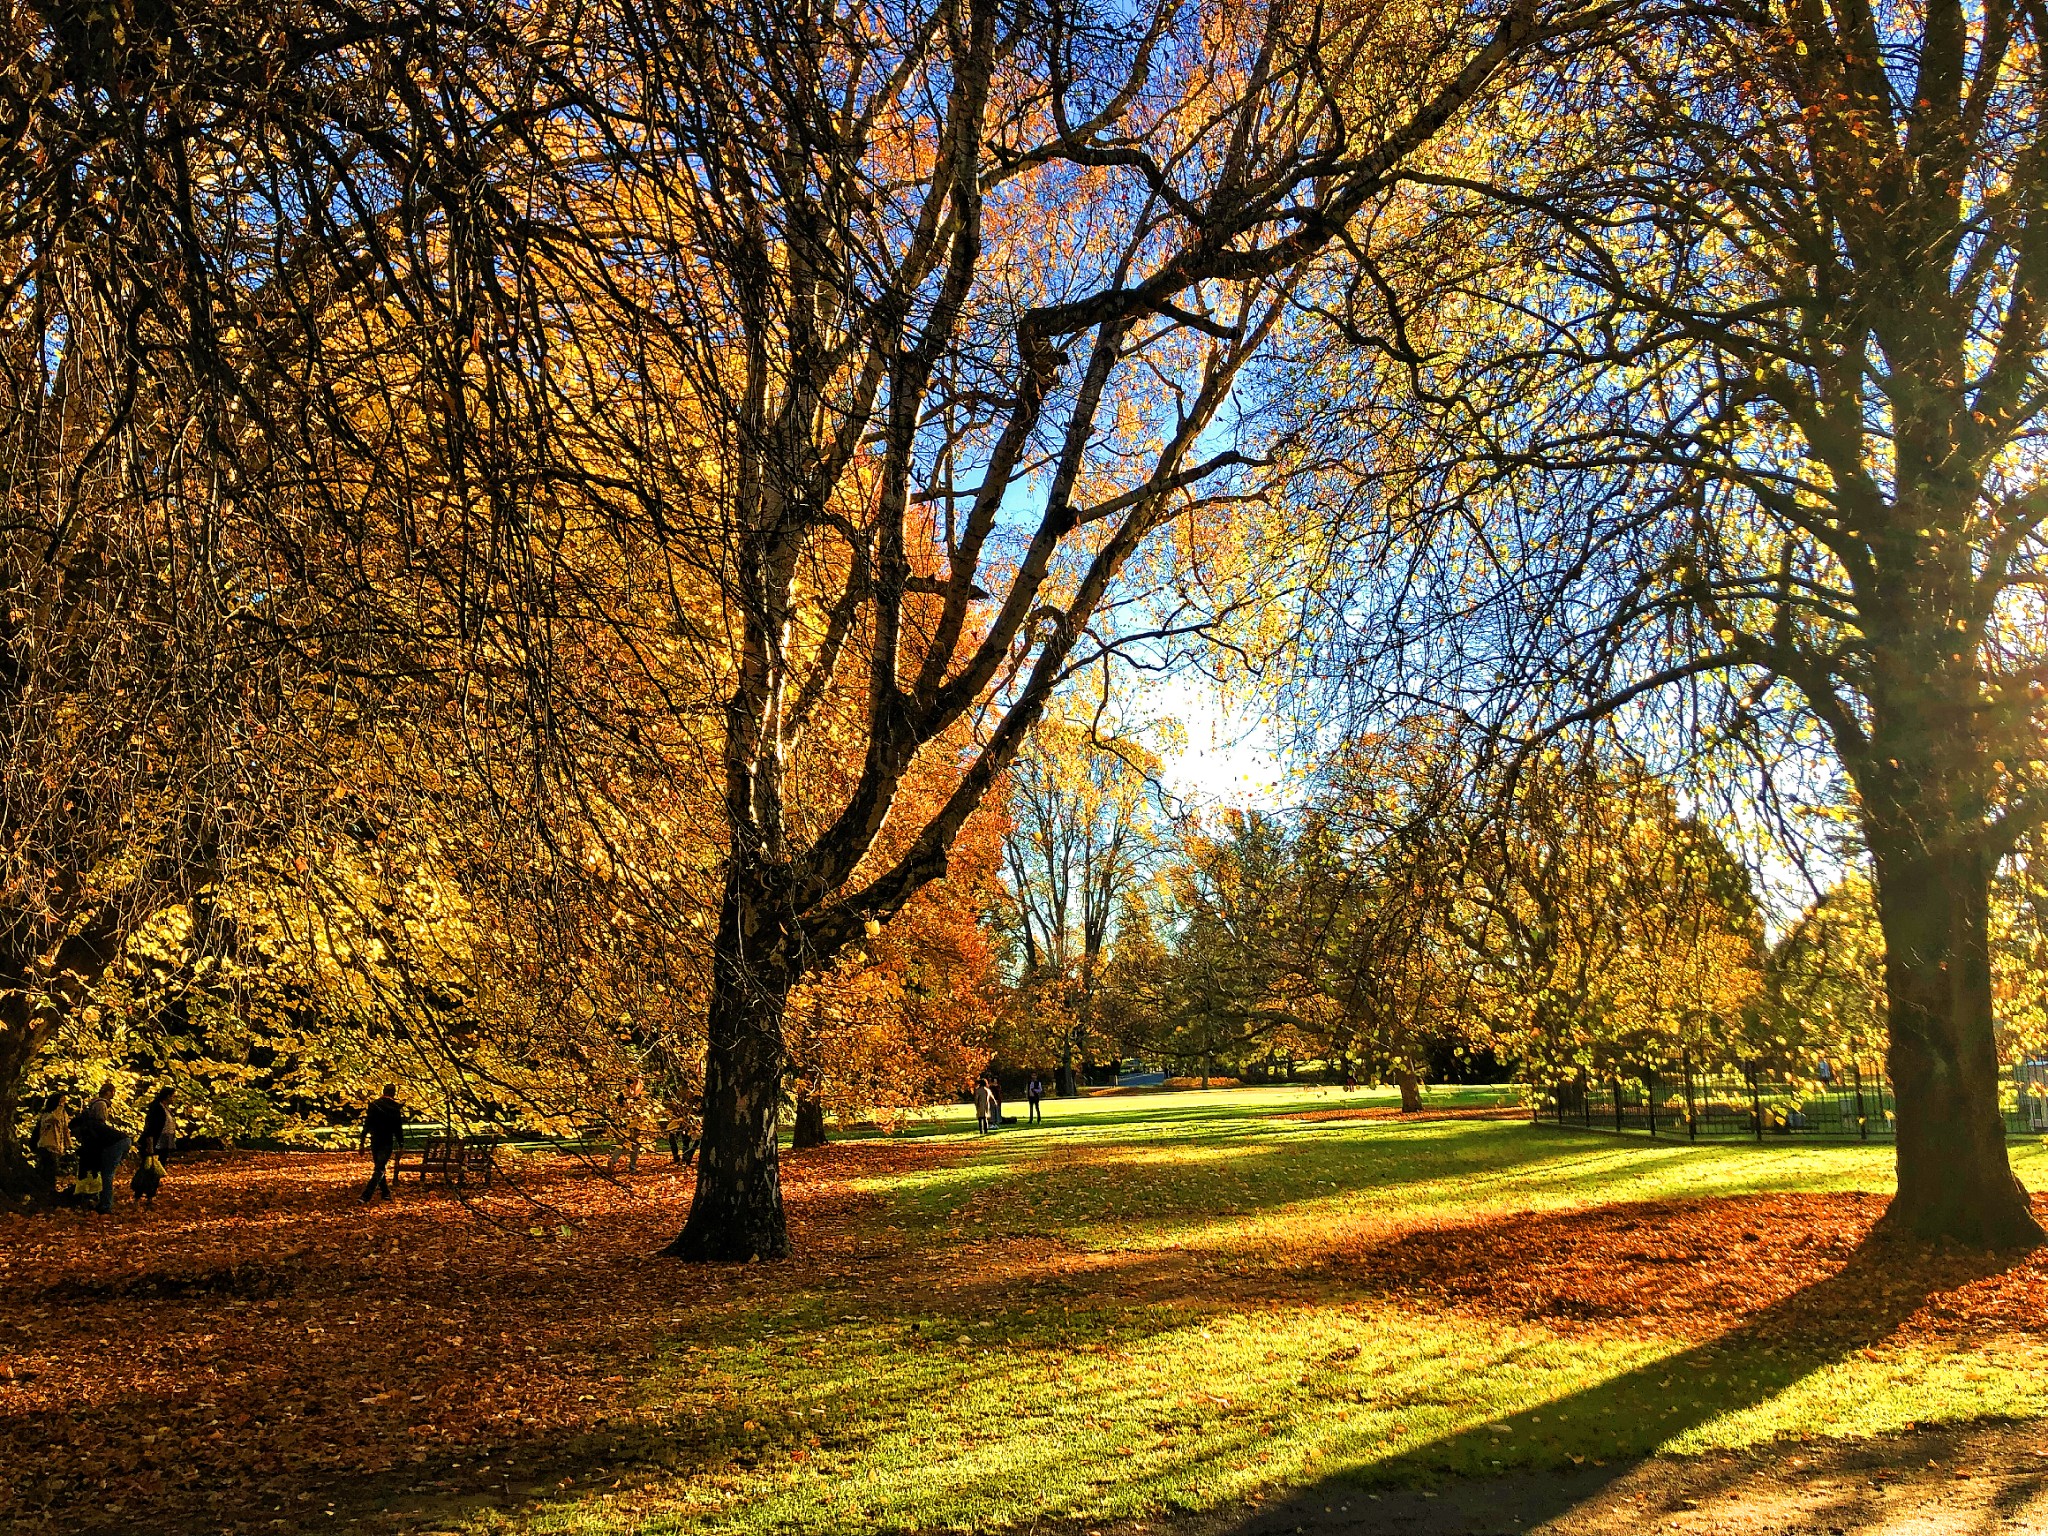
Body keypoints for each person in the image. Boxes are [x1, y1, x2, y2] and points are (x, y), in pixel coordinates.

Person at [71, 1083, 130, 1216]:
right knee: (105, 1173)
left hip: (116, 1142)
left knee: (107, 1175)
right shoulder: (99, 1109)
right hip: (119, 1141)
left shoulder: (92, 1126)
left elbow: (98, 1139)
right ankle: (102, 1202)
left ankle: (105, 1205)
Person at [358, 1084, 405, 1203]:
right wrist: (401, 1144)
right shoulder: (395, 1108)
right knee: (379, 1169)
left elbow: (367, 1124)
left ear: (383, 1091)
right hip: (387, 1141)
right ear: (394, 1093)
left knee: (379, 1167)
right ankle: (366, 1196)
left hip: (375, 1141)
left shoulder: (374, 1105)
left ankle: (386, 1193)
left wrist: (362, 1142)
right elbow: (398, 1128)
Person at [132, 1085, 177, 1208]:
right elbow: (151, 1128)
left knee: (157, 1172)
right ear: (167, 1096)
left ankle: (150, 1197)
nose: (174, 1099)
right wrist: (150, 1145)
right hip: (154, 1143)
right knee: (147, 1171)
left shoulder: (166, 1108)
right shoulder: (157, 1108)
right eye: (173, 1096)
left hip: (164, 1144)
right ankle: (138, 1196)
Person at [32, 1091, 72, 1204]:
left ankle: (48, 1192)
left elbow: (65, 1129)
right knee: (48, 1170)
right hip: (46, 1146)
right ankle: (45, 1193)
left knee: (52, 1170)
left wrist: (67, 1145)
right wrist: (59, 1107)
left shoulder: (63, 1114)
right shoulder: (47, 1115)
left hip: (56, 1147)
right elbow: (54, 1118)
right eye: (61, 1101)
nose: (63, 1104)